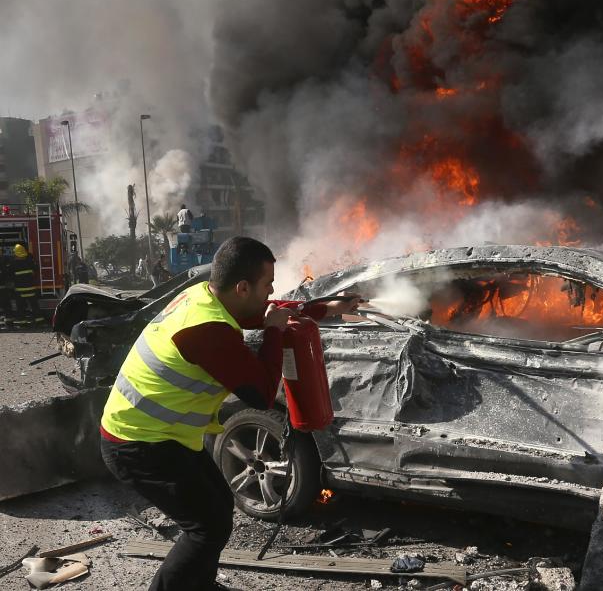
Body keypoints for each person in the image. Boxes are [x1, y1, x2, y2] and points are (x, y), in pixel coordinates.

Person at [99, 237, 359, 591]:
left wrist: (323, 307)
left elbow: (265, 311)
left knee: (219, 507)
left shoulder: (204, 297)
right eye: (267, 284)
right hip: (138, 444)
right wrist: (272, 332)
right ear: (241, 287)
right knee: (205, 527)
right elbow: (260, 393)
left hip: (162, 435)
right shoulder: (207, 330)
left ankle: (198, 585)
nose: (270, 292)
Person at [11, 243, 43, 326]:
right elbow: (35, 269)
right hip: (30, 289)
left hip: (20, 290)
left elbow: (10, 275)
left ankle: (22, 323)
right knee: (34, 306)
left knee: (20, 307)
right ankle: (39, 321)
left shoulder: (13, 264)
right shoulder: (29, 262)